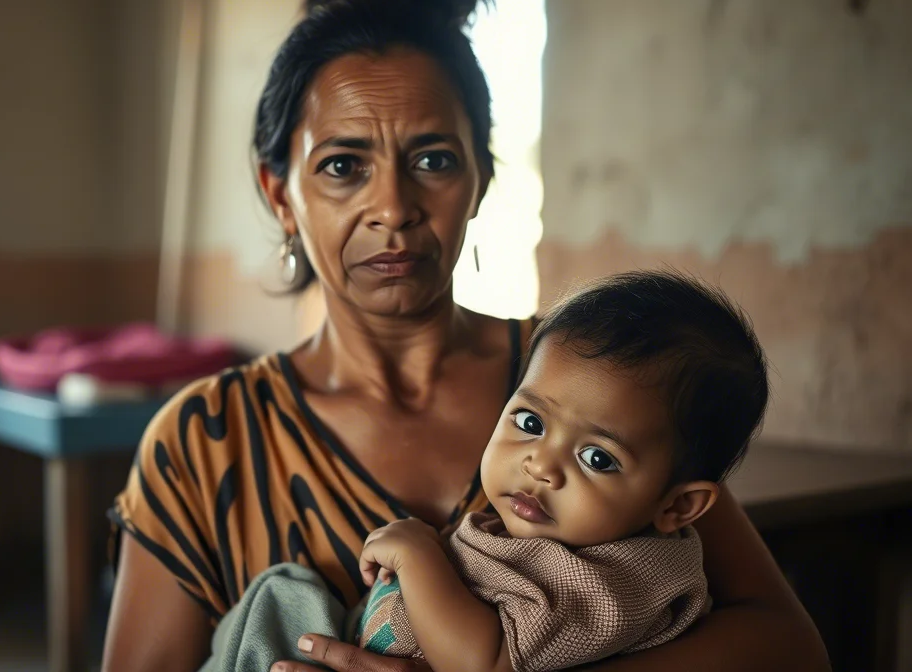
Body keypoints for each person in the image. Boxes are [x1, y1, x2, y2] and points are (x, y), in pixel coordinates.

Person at [102, 0, 829, 670]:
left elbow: (788, 646)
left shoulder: (593, 380)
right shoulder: (205, 443)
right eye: (341, 165)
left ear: (479, 178)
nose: (392, 208)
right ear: (278, 193)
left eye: (433, 160)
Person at [200, 270, 766, 672]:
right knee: (279, 596)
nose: (540, 464)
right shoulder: (554, 531)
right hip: (350, 634)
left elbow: (484, 664)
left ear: (678, 507)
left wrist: (419, 554)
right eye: (529, 421)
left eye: (597, 458)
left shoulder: (612, 583)